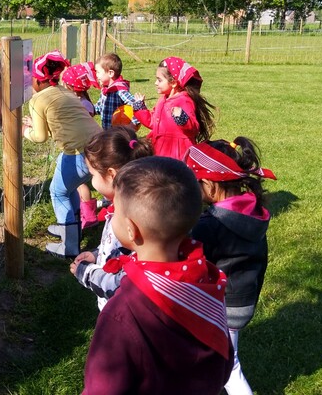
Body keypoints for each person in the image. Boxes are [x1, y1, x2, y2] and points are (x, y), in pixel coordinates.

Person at [82, 156, 233, 395]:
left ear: (132, 229)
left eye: (116, 212)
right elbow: (223, 366)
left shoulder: (122, 313)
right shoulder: (208, 283)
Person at [184, 137, 277, 395]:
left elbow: (189, 263)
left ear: (211, 186)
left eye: (195, 182)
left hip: (222, 307)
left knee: (228, 367)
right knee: (225, 359)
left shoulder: (211, 226)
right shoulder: (252, 212)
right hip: (243, 301)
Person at [23, 50, 102, 258]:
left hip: (78, 154)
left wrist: (24, 131)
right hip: (99, 146)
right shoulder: (65, 91)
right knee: (70, 188)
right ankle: (71, 229)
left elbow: (40, 137)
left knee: (58, 192)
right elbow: (63, 120)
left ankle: (70, 247)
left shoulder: (37, 99)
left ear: (38, 81)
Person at [69, 126, 154, 311]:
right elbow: (117, 250)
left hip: (121, 311)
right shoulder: (127, 207)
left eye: (92, 174)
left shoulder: (130, 221)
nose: (91, 181)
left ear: (111, 175)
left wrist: (85, 272)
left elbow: (120, 284)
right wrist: (97, 254)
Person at [132, 56, 215, 160]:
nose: (155, 83)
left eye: (159, 80)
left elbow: (193, 129)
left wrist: (182, 118)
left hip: (178, 153)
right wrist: (140, 108)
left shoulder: (184, 100)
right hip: (160, 149)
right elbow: (153, 122)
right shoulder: (163, 99)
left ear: (173, 83)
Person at [60, 62, 99, 228]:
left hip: (81, 149)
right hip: (84, 146)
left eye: (64, 84)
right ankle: (85, 213)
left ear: (71, 87)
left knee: (80, 184)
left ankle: (89, 216)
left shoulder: (81, 105)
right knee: (79, 184)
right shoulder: (84, 102)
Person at [93, 53, 141, 131]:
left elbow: (136, 105)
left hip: (119, 134)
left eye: (98, 72)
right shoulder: (105, 89)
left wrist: (134, 124)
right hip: (107, 132)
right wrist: (89, 109)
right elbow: (100, 107)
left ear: (110, 73)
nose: (96, 75)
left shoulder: (120, 90)